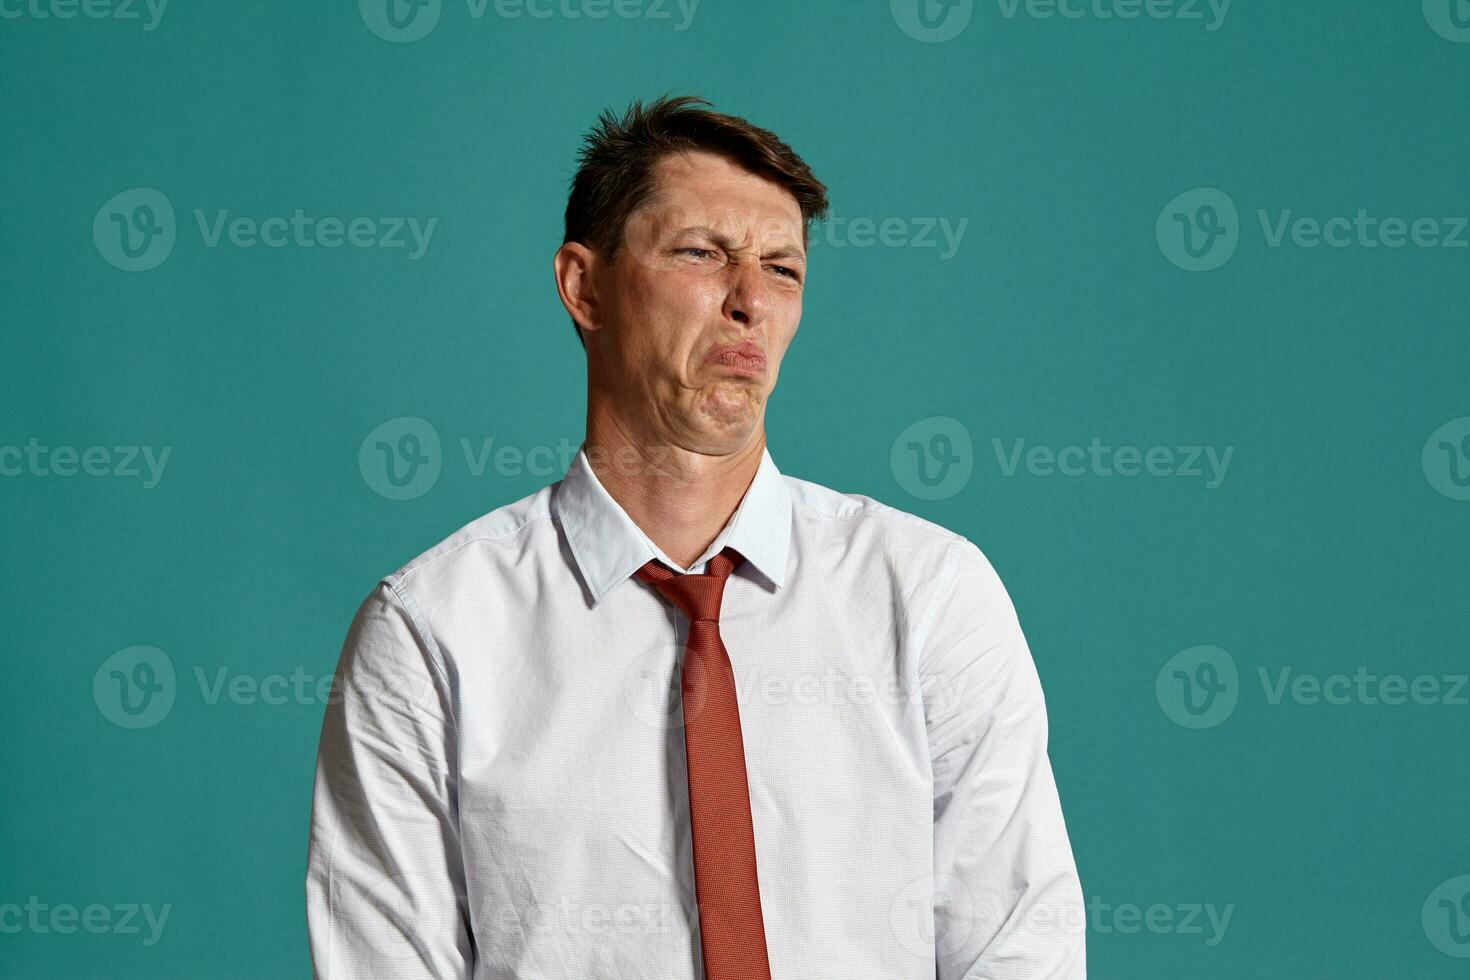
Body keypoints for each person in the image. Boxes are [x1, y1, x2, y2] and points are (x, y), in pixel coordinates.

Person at [306, 94, 1085, 979]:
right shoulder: (431, 631)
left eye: (783, 270)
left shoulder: (932, 594)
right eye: (701, 254)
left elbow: (1016, 948)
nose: (750, 300)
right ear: (583, 286)